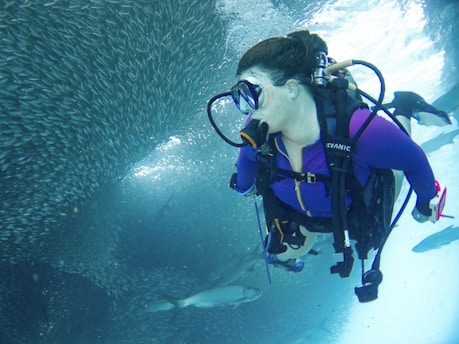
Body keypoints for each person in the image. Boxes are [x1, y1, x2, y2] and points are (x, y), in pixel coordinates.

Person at [223, 30, 448, 280]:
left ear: (291, 88)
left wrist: (426, 200)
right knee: (286, 251)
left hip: (355, 205)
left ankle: (404, 106)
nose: (247, 109)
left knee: (394, 176)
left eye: (253, 94)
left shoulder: (360, 129)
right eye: (240, 98)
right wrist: (244, 186)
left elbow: (413, 159)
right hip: (299, 213)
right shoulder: (258, 132)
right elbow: (245, 169)